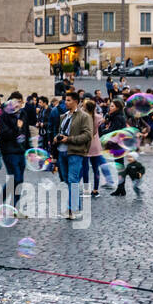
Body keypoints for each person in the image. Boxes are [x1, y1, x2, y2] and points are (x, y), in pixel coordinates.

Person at [55, 91, 93, 221]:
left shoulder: (84, 116)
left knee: (73, 180)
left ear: (76, 101)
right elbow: (61, 132)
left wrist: (69, 139)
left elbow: (87, 135)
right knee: (67, 180)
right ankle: (76, 207)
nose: (66, 102)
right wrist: (57, 138)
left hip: (75, 152)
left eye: (69, 100)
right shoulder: (63, 116)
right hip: (61, 151)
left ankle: (71, 210)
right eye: (65, 100)